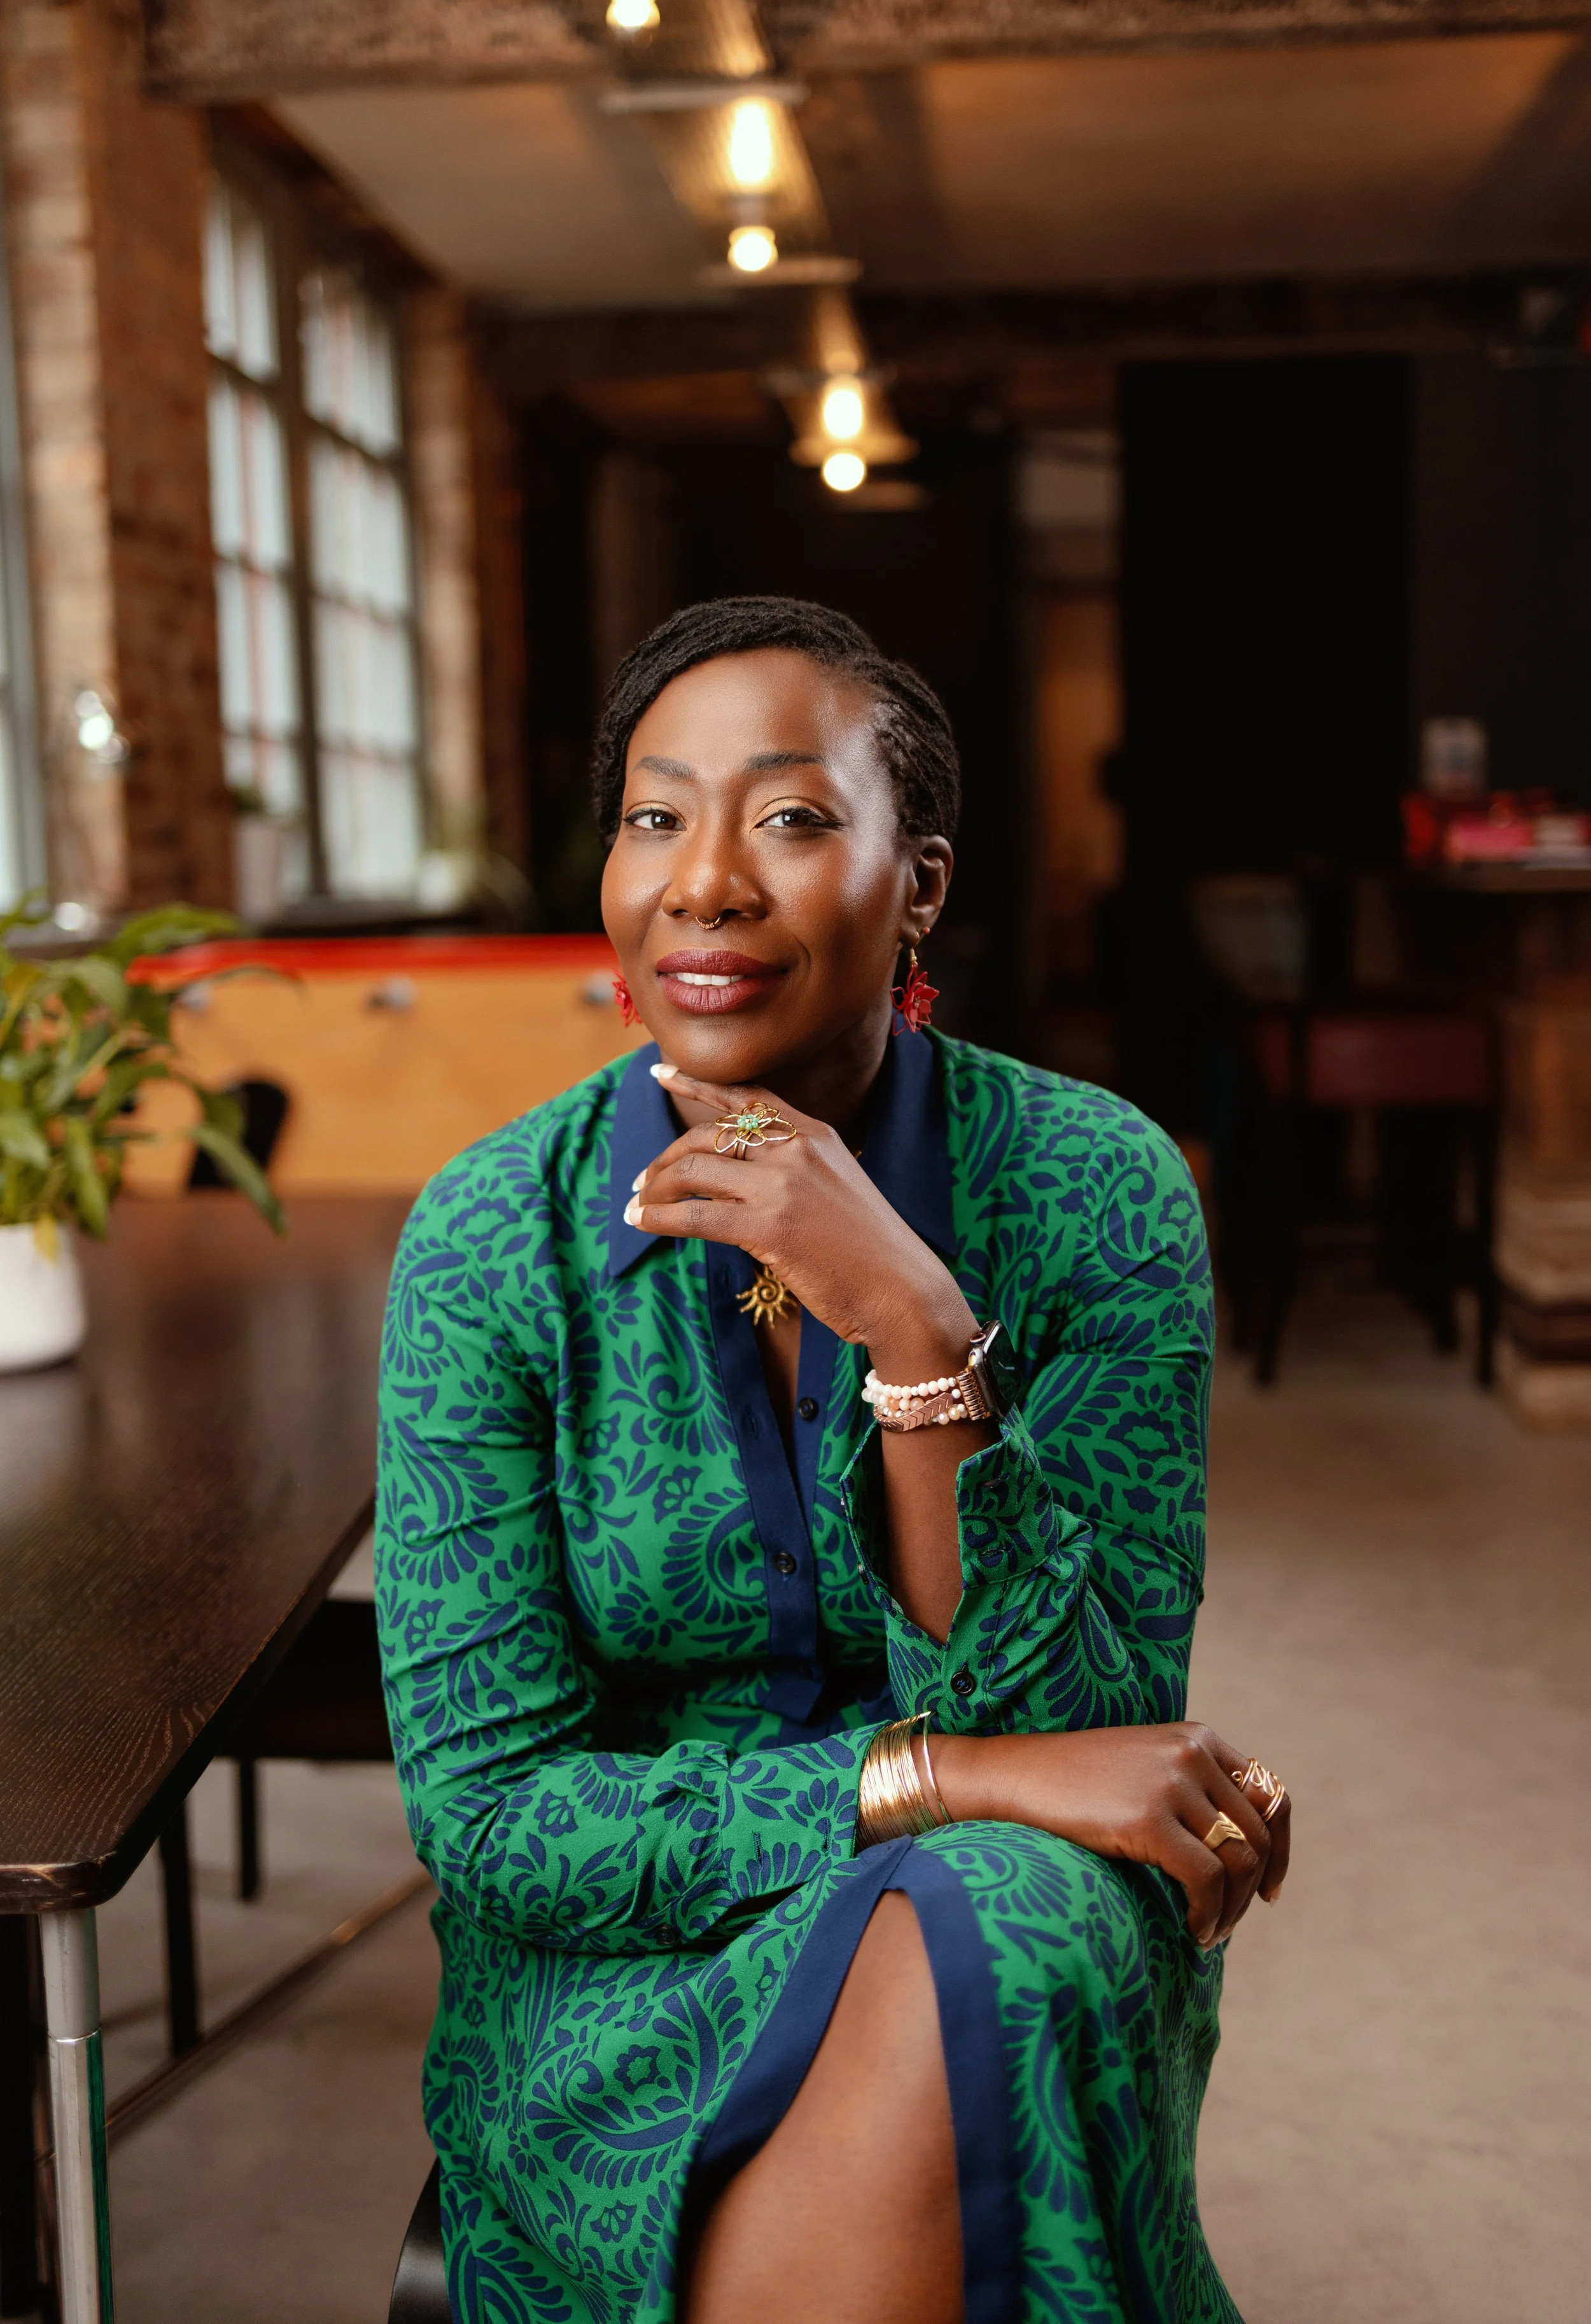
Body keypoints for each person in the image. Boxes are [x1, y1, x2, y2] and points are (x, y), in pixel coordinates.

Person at [375, 596, 1290, 2324]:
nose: (704, 882)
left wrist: (919, 1331)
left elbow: (1097, 1715)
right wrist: (943, 1778)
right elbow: (493, 1819)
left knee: (1006, 1918)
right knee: (999, 1900)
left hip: (1018, 1904)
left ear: (919, 884)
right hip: (623, 1967)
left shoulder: (1097, 1188)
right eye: (656, 817)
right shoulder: (493, 1238)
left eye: (790, 816)